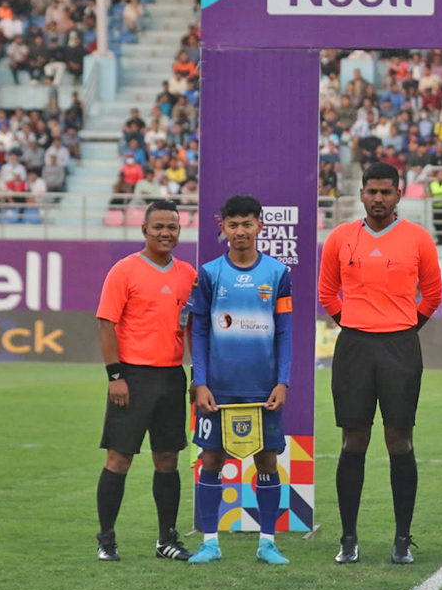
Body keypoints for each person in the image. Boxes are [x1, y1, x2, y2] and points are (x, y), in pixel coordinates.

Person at [318, 162, 442, 564]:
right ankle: (348, 538)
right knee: (353, 441)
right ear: (361, 194)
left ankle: (402, 538)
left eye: (386, 192)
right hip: (354, 347)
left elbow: (432, 295)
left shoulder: (418, 238)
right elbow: (327, 292)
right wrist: (355, 323)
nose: (378, 199)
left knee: (399, 439)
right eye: (371, 191)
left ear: (398, 195)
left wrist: (404, 327)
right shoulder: (340, 238)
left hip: (400, 347)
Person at [186, 195, 294, 565]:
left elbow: (285, 331)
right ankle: (209, 543)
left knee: (267, 460)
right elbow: (199, 330)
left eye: (247, 224)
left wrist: (282, 381)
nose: (240, 231)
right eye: (233, 225)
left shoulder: (277, 273)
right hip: (218, 388)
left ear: (260, 225)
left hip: (263, 388)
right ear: (223, 228)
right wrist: (201, 382)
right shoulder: (209, 273)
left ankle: (268, 543)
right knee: (211, 458)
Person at [94, 200, 198, 561]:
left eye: (172, 227)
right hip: (132, 377)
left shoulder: (187, 274)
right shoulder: (124, 271)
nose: (165, 233)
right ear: (145, 230)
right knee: (118, 459)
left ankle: (166, 540)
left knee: (167, 459)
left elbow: (193, 328)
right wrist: (115, 376)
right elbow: (106, 324)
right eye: (159, 227)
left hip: (171, 376)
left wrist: (197, 375)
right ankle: (106, 539)